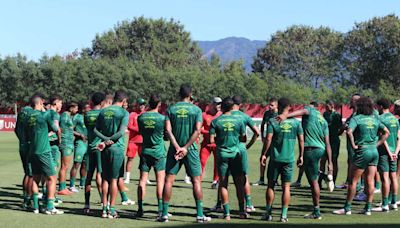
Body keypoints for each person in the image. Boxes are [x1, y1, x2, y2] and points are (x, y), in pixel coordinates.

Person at [159, 84, 211, 223]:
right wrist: (186, 147)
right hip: (191, 150)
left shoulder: (171, 109)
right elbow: (197, 131)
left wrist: (177, 147)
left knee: (168, 181)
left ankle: (164, 214)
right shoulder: (196, 110)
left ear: (179, 94)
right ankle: (199, 214)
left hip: (174, 151)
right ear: (190, 94)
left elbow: (168, 131)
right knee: (196, 180)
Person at [277, 101, 334, 219]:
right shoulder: (323, 120)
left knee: (313, 182)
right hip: (321, 149)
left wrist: (285, 115)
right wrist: (330, 163)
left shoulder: (310, 110)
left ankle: (317, 211)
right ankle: (323, 176)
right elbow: (328, 143)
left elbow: (303, 111)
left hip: (310, 149)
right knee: (311, 172)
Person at [333, 97, 389, 215]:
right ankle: (367, 208)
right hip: (374, 152)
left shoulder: (356, 118)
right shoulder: (375, 119)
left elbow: (348, 131)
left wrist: (353, 145)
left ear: (360, 106)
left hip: (362, 151)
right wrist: (377, 144)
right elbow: (386, 132)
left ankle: (347, 208)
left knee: (353, 181)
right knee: (370, 181)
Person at [260, 97, 304, 222]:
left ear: (278, 106)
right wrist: (301, 155)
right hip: (289, 160)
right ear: (289, 107)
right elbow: (301, 140)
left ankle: (268, 213)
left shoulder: (273, 121)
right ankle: (283, 215)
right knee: (286, 188)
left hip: (275, 159)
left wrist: (264, 154)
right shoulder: (296, 123)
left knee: (271, 186)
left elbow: (268, 139)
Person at [209, 97, 247, 220]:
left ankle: (226, 214)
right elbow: (243, 138)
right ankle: (242, 211)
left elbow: (211, 140)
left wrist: (221, 141)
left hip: (222, 155)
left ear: (222, 107)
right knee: (239, 184)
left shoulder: (215, 121)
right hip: (236, 154)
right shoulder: (239, 121)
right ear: (232, 107)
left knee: (223, 184)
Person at [94, 90, 130, 219]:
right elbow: (121, 133)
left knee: (105, 178)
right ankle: (112, 209)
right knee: (114, 180)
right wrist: (110, 141)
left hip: (104, 148)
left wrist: (104, 140)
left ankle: (104, 209)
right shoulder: (124, 113)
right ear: (124, 100)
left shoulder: (103, 111)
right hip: (117, 149)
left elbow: (95, 130)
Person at [26, 93, 63, 214]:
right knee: (52, 178)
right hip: (44, 150)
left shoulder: (28, 116)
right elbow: (55, 128)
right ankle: (50, 207)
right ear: (41, 102)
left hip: (32, 151)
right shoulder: (44, 115)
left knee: (35, 178)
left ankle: (36, 206)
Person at [136, 94, 166, 218]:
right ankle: (160, 209)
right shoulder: (162, 118)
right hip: (159, 152)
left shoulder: (141, 117)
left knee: (142, 180)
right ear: (159, 104)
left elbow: (141, 131)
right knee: (160, 181)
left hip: (145, 151)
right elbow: (166, 134)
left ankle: (140, 208)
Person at [231, 95, 260, 212]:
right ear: (240, 105)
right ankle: (248, 204)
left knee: (223, 179)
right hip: (241, 149)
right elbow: (257, 133)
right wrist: (248, 145)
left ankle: (220, 204)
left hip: (227, 149)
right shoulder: (245, 116)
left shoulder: (224, 116)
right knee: (244, 177)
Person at [372, 98, 399, 212]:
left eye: (377, 107)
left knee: (385, 178)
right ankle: (394, 202)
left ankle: (384, 204)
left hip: (384, 153)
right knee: (393, 177)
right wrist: (396, 153)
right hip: (394, 153)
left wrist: (389, 152)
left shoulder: (379, 118)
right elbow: (399, 138)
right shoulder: (395, 119)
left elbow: (383, 138)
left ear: (381, 107)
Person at [83, 92, 107, 213]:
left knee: (88, 176)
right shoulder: (102, 114)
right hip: (100, 148)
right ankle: (104, 202)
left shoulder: (86, 114)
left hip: (90, 147)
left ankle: (87, 204)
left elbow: (89, 128)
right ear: (102, 102)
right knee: (101, 176)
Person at [254, 97, 278, 186]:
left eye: (272, 105)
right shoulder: (267, 114)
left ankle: (275, 180)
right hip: (268, 140)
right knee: (262, 158)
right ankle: (261, 179)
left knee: (275, 160)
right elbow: (263, 124)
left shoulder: (279, 114)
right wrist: (263, 136)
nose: (270, 106)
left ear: (276, 106)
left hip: (276, 141)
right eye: (269, 105)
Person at [200, 97, 222, 189]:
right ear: (212, 104)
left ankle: (215, 181)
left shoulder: (222, 115)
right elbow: (199, 129)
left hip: (217, 144)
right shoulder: (204, 115)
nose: (219, 105)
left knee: (218, 163)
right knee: (201, 162)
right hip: (206, 144)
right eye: (217, 103)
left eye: (220, 103)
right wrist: (210, 133)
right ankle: (198, 181)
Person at [15, 104, 33, 208]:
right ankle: (28, 200)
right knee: (30, 174)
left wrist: (22, 140)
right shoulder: (31, 113)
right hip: (30, 146)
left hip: (22, 146)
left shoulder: (21, 112)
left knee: (27, 173)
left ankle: (26, 197)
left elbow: (16, 130)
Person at [58, 102, 79, 195]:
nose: (77, 110)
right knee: (64, 166)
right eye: (75, 108)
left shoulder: (68, 116)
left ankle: (63, 187)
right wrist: (61, 140)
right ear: (70, 108)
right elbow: (61, 129)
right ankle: (62, 188)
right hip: (65, 143)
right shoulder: (64, 116)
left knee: (66, 166)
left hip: (69, 143)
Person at [320, 100, 342, 186]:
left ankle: (333, 181)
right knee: (322, 160)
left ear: (332, 105)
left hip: (334, 141)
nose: (326, 108)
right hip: (325, 140)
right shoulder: (325, 114)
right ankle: (320, 181)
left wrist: (336, 135)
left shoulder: (337, 115)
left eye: (327, 106)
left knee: (333, 160)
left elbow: (340, 128)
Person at [124, 98, 146, 184]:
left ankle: (144, 177)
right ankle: (127, 177)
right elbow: (129, 126)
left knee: (144, 160)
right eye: (140, 104)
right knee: (130, 158)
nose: (142, 106)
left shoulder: (146, 114)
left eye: (143, 104)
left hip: (143, 141)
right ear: (136, 105)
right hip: (133, 141)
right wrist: (140, 130)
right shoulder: (132, 114)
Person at [69, 102, 89, 192]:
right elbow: (70, 129)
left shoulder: (89, 117)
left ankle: (82, 184)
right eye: (87, 108)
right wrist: (80, 135)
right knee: (77, 164)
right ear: (83, 109)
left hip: (88, 143)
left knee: (85, 164)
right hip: (80, 143)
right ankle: (72, 185)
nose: (89, 109)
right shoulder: (76, 117)